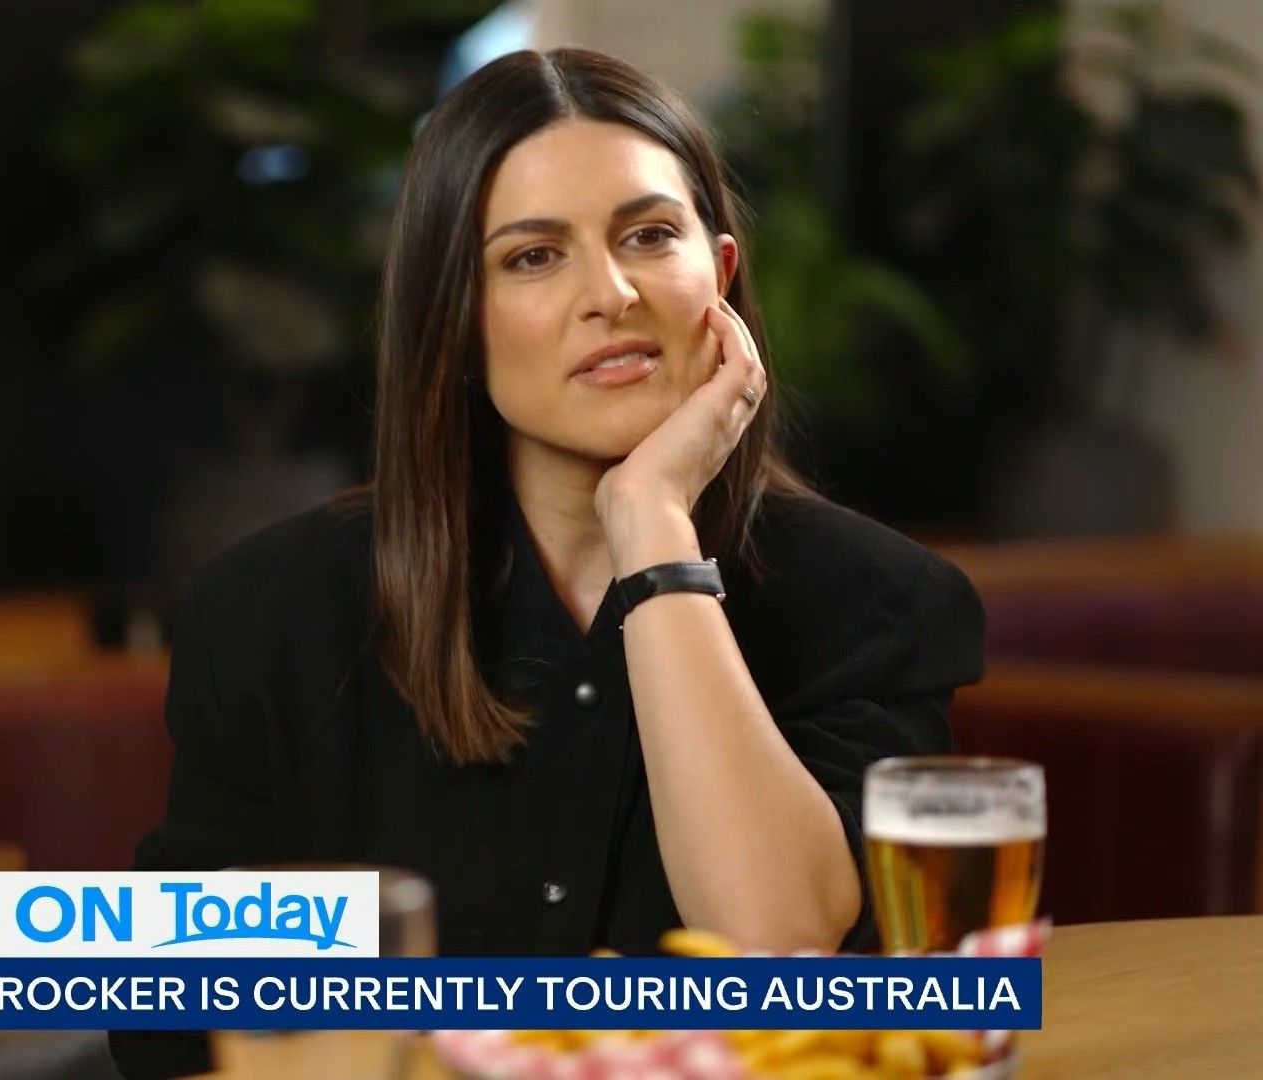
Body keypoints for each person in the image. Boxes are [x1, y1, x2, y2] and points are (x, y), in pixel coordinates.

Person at [109, 46, 982, 1078]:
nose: (610, 293)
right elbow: (169, 1022)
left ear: (721, 278)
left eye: (649, 235)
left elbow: (779, 953)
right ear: (456, 324)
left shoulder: (876, 603)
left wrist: (652, 527)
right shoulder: (268, 613)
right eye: (533, 257)